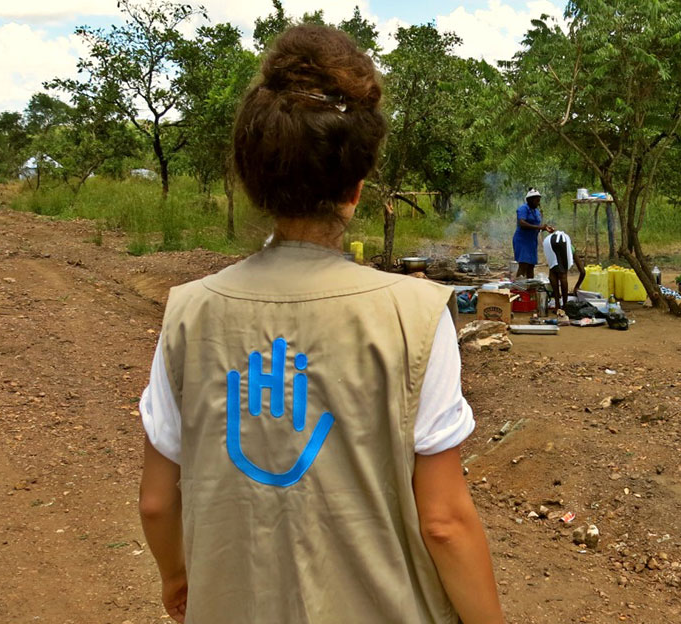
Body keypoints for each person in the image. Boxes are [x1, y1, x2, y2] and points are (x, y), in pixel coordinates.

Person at [137, 25, 504, 624]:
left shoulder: (188, 312)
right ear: (356, 189)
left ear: (253, 181)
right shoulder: (414, 315)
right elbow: (443, 522)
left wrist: (178, 577)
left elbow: (157, 503)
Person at [513, 188, 553, 278]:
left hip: (531, 241)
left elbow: (536, 226)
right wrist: (540, 227)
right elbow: (522, 223)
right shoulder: (523, 209)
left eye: (539, 201)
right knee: (523, 264)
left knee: (531, 265)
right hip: (522, 240)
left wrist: (545, 228)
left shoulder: (537, 212)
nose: (538, 203)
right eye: (536, 201)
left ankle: (530, 288)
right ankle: (519, 287)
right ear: (530, 200)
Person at [542, 229, 585, 311]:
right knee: (563, 275)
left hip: (547, 242)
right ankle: (565, 306)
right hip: (552, 241)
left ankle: (557, 305)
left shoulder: (553, 246)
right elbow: (582, 271)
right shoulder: (570, 248)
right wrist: (577, 286)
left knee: (553, 272)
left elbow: (552, 276)